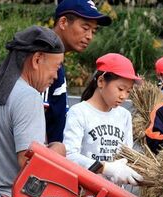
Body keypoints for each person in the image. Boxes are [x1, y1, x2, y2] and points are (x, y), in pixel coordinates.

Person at [0, 26, 65, 197]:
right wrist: (58, 151)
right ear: (37, 59)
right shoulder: (27, 97)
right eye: (55, 67)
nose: (56, 76)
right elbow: (30, 165)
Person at [63, 53, 143, 185]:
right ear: (101, 81)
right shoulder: (79, 112)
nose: (124, 96)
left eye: (128, 91)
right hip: (84, 194)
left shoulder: (124, 116)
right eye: (121, 88)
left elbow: (128, 156)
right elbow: (69, 156)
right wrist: (106, 168)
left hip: (115, 196)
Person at [44, 0, 112, 143]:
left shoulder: (55, 59)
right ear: (63, 22)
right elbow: (33, 122)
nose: (89, 36)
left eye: (93, 31)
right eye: (85, 27)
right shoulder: (43, 59)